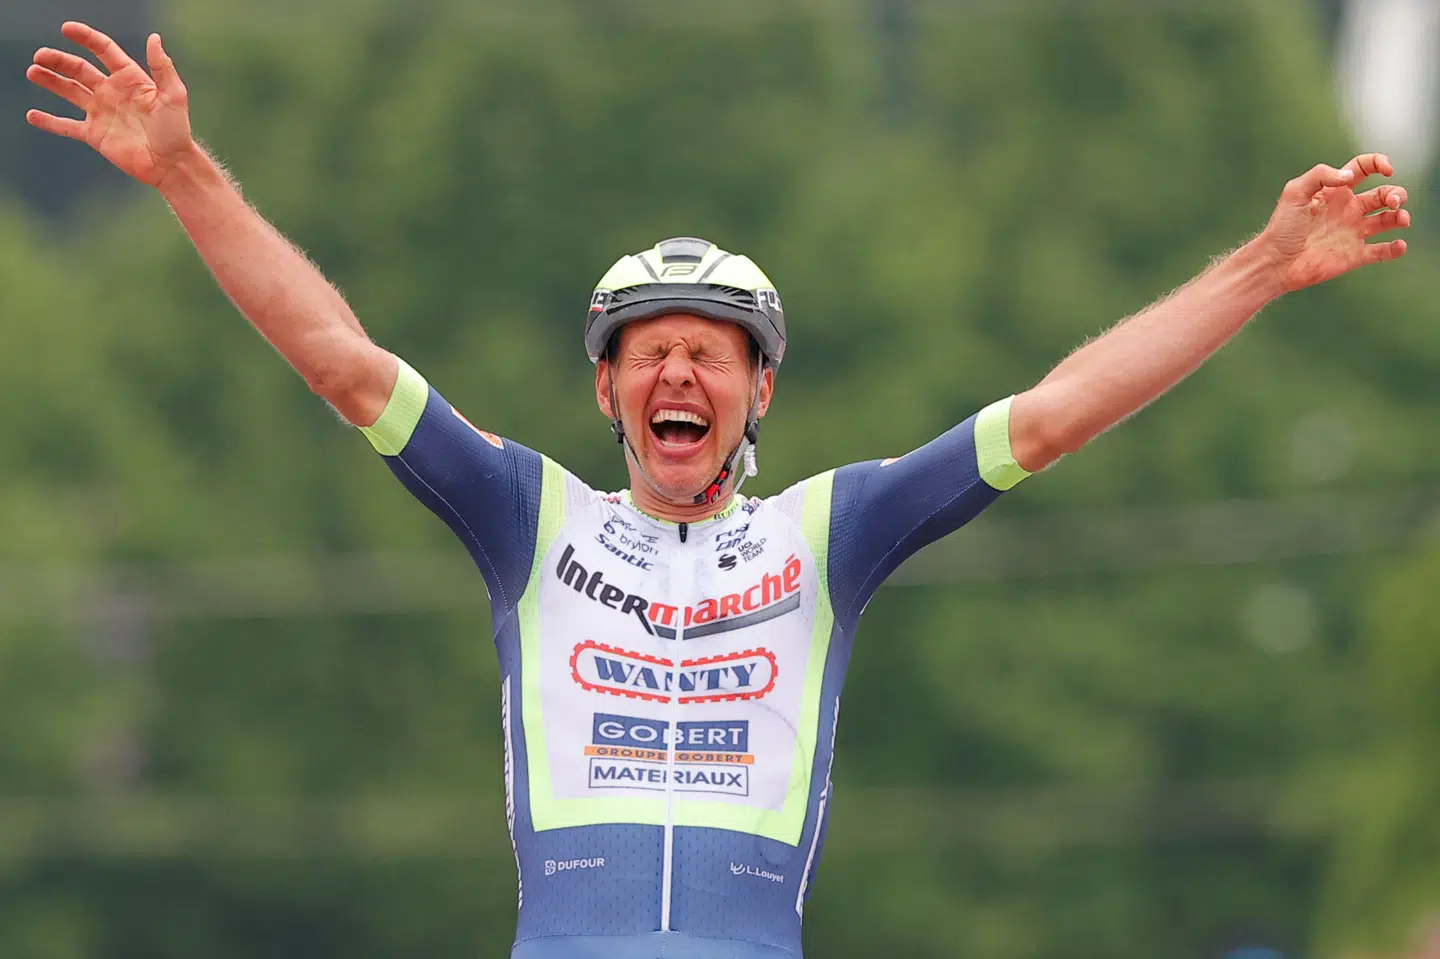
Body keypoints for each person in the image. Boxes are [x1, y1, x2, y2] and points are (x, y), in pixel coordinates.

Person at [25, 21, 1412, 959]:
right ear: (608, 393)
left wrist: (1263, 267)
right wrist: (187, 172)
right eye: (651, 354)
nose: (679, 372)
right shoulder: (529, 517)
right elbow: (340, 363)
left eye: (710, 354)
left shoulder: (831, 531)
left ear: (758, 395)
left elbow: (1048, 419)